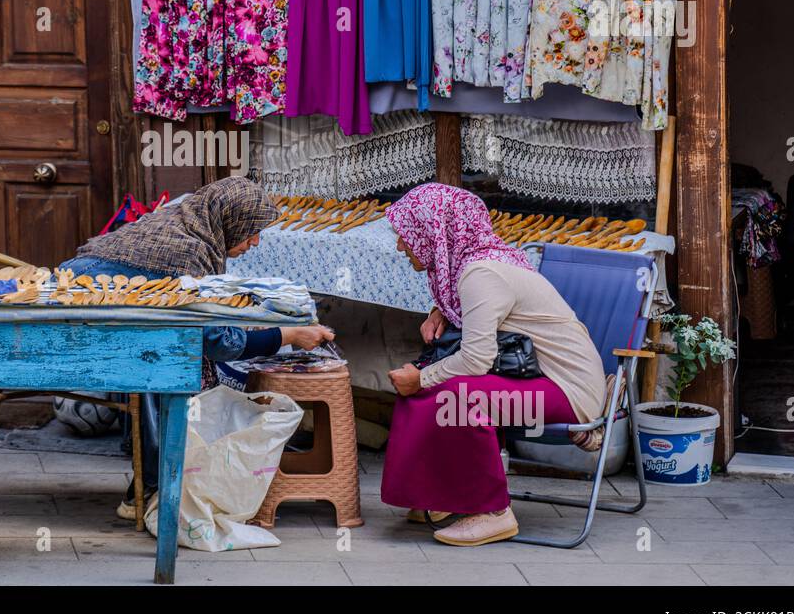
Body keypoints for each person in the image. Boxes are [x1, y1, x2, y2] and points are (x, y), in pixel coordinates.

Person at [59, 176, 334, 520]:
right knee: (177, 358)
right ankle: (157, 485)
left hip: (90, 314)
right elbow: (223, 343)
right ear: (229, 220)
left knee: (170, 344)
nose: (255, 241)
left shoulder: (182, 223)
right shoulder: (189, 253)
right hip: (76, 330)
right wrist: (289, 335)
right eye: (251, 231)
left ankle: (153, 483)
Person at [380, 183, 607, 546]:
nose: (401, 245)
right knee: (434, 389)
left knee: (455, 399)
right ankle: (440, 495)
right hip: (544, 379)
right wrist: (441, 313)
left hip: (569, 391)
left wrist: (421, 378)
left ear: (433, 233)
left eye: (406, 236)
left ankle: (493, 512)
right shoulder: (479, 264)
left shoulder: (480, 274)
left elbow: (476, 358)